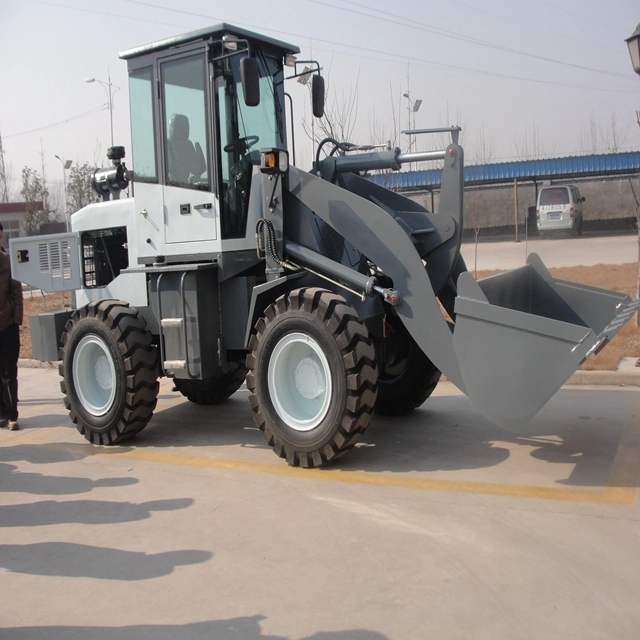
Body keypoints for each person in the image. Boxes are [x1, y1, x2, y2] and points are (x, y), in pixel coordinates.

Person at [0, 222, 22, 430]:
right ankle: (2, 412)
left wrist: (16, 321)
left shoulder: (8, 262)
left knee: (9, 372)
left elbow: (17, 292)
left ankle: (12, 413)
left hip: (7, 326)